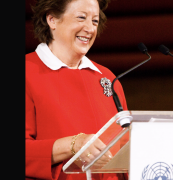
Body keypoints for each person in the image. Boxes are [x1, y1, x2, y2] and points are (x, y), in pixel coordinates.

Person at [25, 0, 129, 179]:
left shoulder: (108, 78)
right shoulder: (27, 72)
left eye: (95, 21)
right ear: (52, 20)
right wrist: (73, 145)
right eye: (81, 18)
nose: (90, 28)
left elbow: (125, 148)